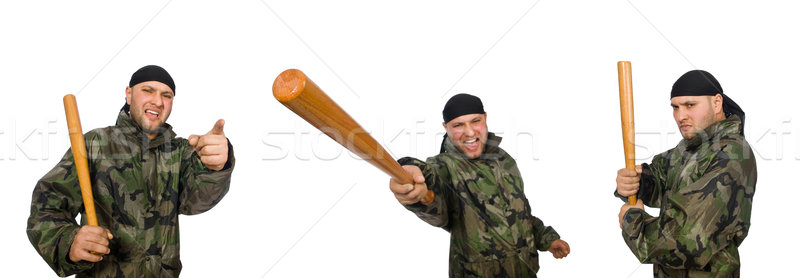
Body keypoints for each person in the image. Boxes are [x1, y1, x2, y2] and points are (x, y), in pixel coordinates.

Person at [27, 65, 235, 277]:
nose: (157, 101)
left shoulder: (180, 152)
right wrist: (69, 242)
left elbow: (196, 201)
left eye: (166, 95)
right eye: (147, 90)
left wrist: (215, 167)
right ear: (128, 94)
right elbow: (47, 206)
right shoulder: (94, 144)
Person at [389, 93, 569, 277]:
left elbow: (521, 214)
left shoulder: (504, 160)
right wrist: (412, 177)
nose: (469, 132)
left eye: (475, 121)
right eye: (458, 125)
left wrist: (547, 239)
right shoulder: (445, 167)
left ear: (485, 118)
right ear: (446, 128)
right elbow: (433, 190)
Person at [616, 70, 756, 277]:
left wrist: (632, 219)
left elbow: (687, 239)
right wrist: (636, 182)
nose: (681, 116)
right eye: (675, 107)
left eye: (690, 105)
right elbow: (661, 177)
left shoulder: (732, 155)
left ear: (717, 103)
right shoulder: (690, 148)